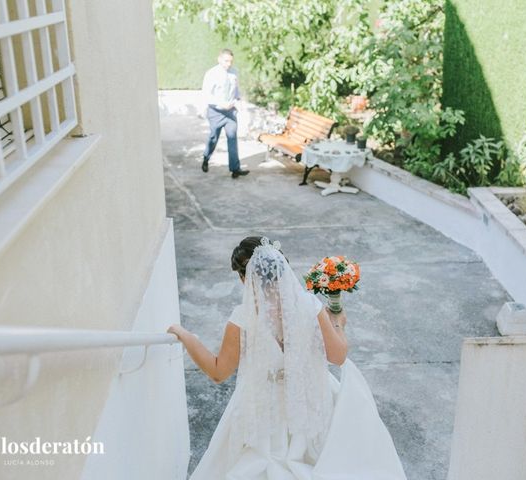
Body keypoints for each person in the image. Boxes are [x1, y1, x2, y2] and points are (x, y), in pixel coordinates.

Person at [167, 236, 407, 479]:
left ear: (245, 278)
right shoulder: (309, 306)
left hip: (266, 408)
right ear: (283, 269)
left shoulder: (242, 318)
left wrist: (184, 335)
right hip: (310, 398)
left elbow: (218, 372)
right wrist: (338, 322)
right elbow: (338, 356)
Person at [201, 49, 249, 179]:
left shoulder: (234, 72)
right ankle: (206, 158)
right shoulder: (211, 73)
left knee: (232, 138)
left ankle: (235, 169)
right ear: (219, 59)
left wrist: (238, 102)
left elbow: (236, 90)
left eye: (231, 61)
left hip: (230, 112)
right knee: (213, 138)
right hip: (216, 112)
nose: (228, 64)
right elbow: (206, 94)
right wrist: (221, 104)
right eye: (226, 61)